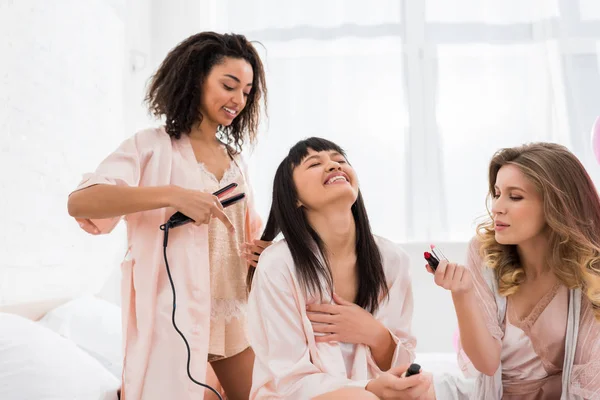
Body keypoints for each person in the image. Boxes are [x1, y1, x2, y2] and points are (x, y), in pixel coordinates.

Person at [67, 32, 269, 400]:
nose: (238, 99)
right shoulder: (149, 147)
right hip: (174, 313)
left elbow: (244, 233)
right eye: (229, 85)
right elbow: (81, 203)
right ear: (196, 78)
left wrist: (261, 252)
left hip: (231, 310)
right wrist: (173, 195)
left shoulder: (236, 161)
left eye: (246, 91)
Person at [246, 137, 433, 399]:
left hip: (372, 391)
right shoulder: (278, 265)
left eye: (340, 160)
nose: (333, 166)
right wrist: (366, 389)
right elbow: (290, 380)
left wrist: (377, 335)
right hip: (293, 395)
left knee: (425, 388)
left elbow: (397, 363)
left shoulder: (393, 259)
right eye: (314, 164)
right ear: (294, 197)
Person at [429, 143, 600, 399]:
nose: (497, 206)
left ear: (556, 205)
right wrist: (461, 293)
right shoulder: (484, 252)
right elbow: (486, 364)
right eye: (497, 193)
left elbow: (589, 385)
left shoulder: (590, 268)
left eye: (515, 196)